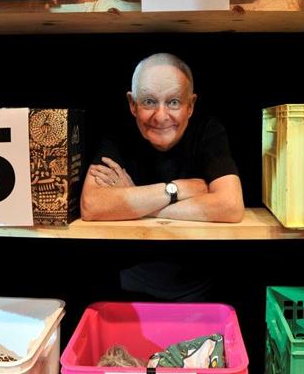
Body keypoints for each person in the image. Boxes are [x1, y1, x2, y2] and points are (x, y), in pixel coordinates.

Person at [80, 53, 244, 301]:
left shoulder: (208, 131)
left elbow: (230, 206)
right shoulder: (118, 134)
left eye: (174, 102)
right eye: (148, 102)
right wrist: (176, 190)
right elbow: (91, 205)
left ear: (191, 105)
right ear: (132, 104)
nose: (160, 116)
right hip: (126, 290)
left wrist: (134, 202)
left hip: (201, 290)